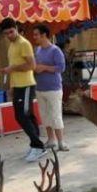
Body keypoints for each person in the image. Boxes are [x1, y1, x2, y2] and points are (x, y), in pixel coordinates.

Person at [0, 18, 48, 162]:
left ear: (16, 28)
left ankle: (38, 146)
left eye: (11, 32)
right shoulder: (12, 46)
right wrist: (12, 87)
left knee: (23, 116)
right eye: (6, 33)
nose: (9, 35)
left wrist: (12, 68)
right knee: (26, 116)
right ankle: (35, 145)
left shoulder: (24, 43)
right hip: (18, 86)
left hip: (26, 85)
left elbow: (32, 65)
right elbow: (13, 67)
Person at [31, 24, 68, 152]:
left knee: (55, 115)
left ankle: (61, 142)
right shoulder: (37, 50)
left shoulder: (55, 50)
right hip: (40, 88)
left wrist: (44, 68)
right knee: (44, 115)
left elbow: (61, 68)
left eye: (36, 34)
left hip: (53, 88)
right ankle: (51, 140)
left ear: (44, 35)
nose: (34, 37)